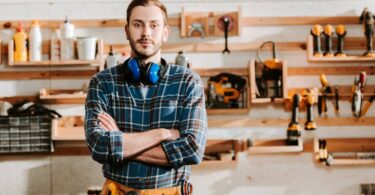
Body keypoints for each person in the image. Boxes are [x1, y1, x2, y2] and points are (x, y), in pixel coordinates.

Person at [84, 0, 207, 194]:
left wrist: (121, 142)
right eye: (138, 24)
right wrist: (163, 134)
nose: (145, 33)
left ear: (165, 32)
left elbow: (192, 150)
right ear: (127, 31)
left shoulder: (188, 82)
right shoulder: (103, 82)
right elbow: (99, 147)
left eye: (154, 25)